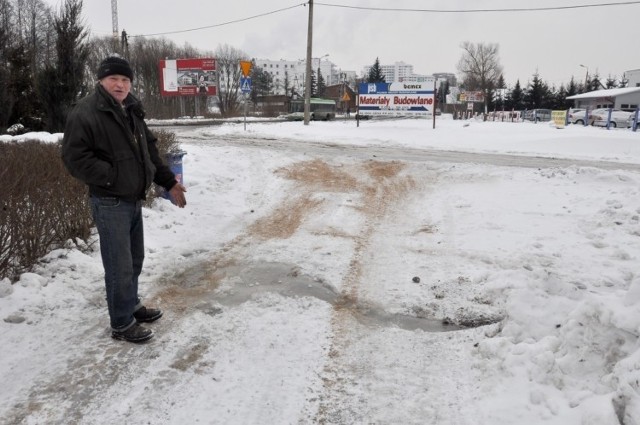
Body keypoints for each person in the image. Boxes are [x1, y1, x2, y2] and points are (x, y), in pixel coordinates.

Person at [62, 55, 187, 343]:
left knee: (134, 259)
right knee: (118, 264)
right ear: (101, 81)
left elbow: (149, 153)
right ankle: (120, 323)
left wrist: (169, 183)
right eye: (113, 79)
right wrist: (113, 176)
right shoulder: (87, 112)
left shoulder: (131, 109)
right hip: (109, 201)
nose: (119, 84)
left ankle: (130, 305)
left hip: (132, 199)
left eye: (125, 80)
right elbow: (74, 158)